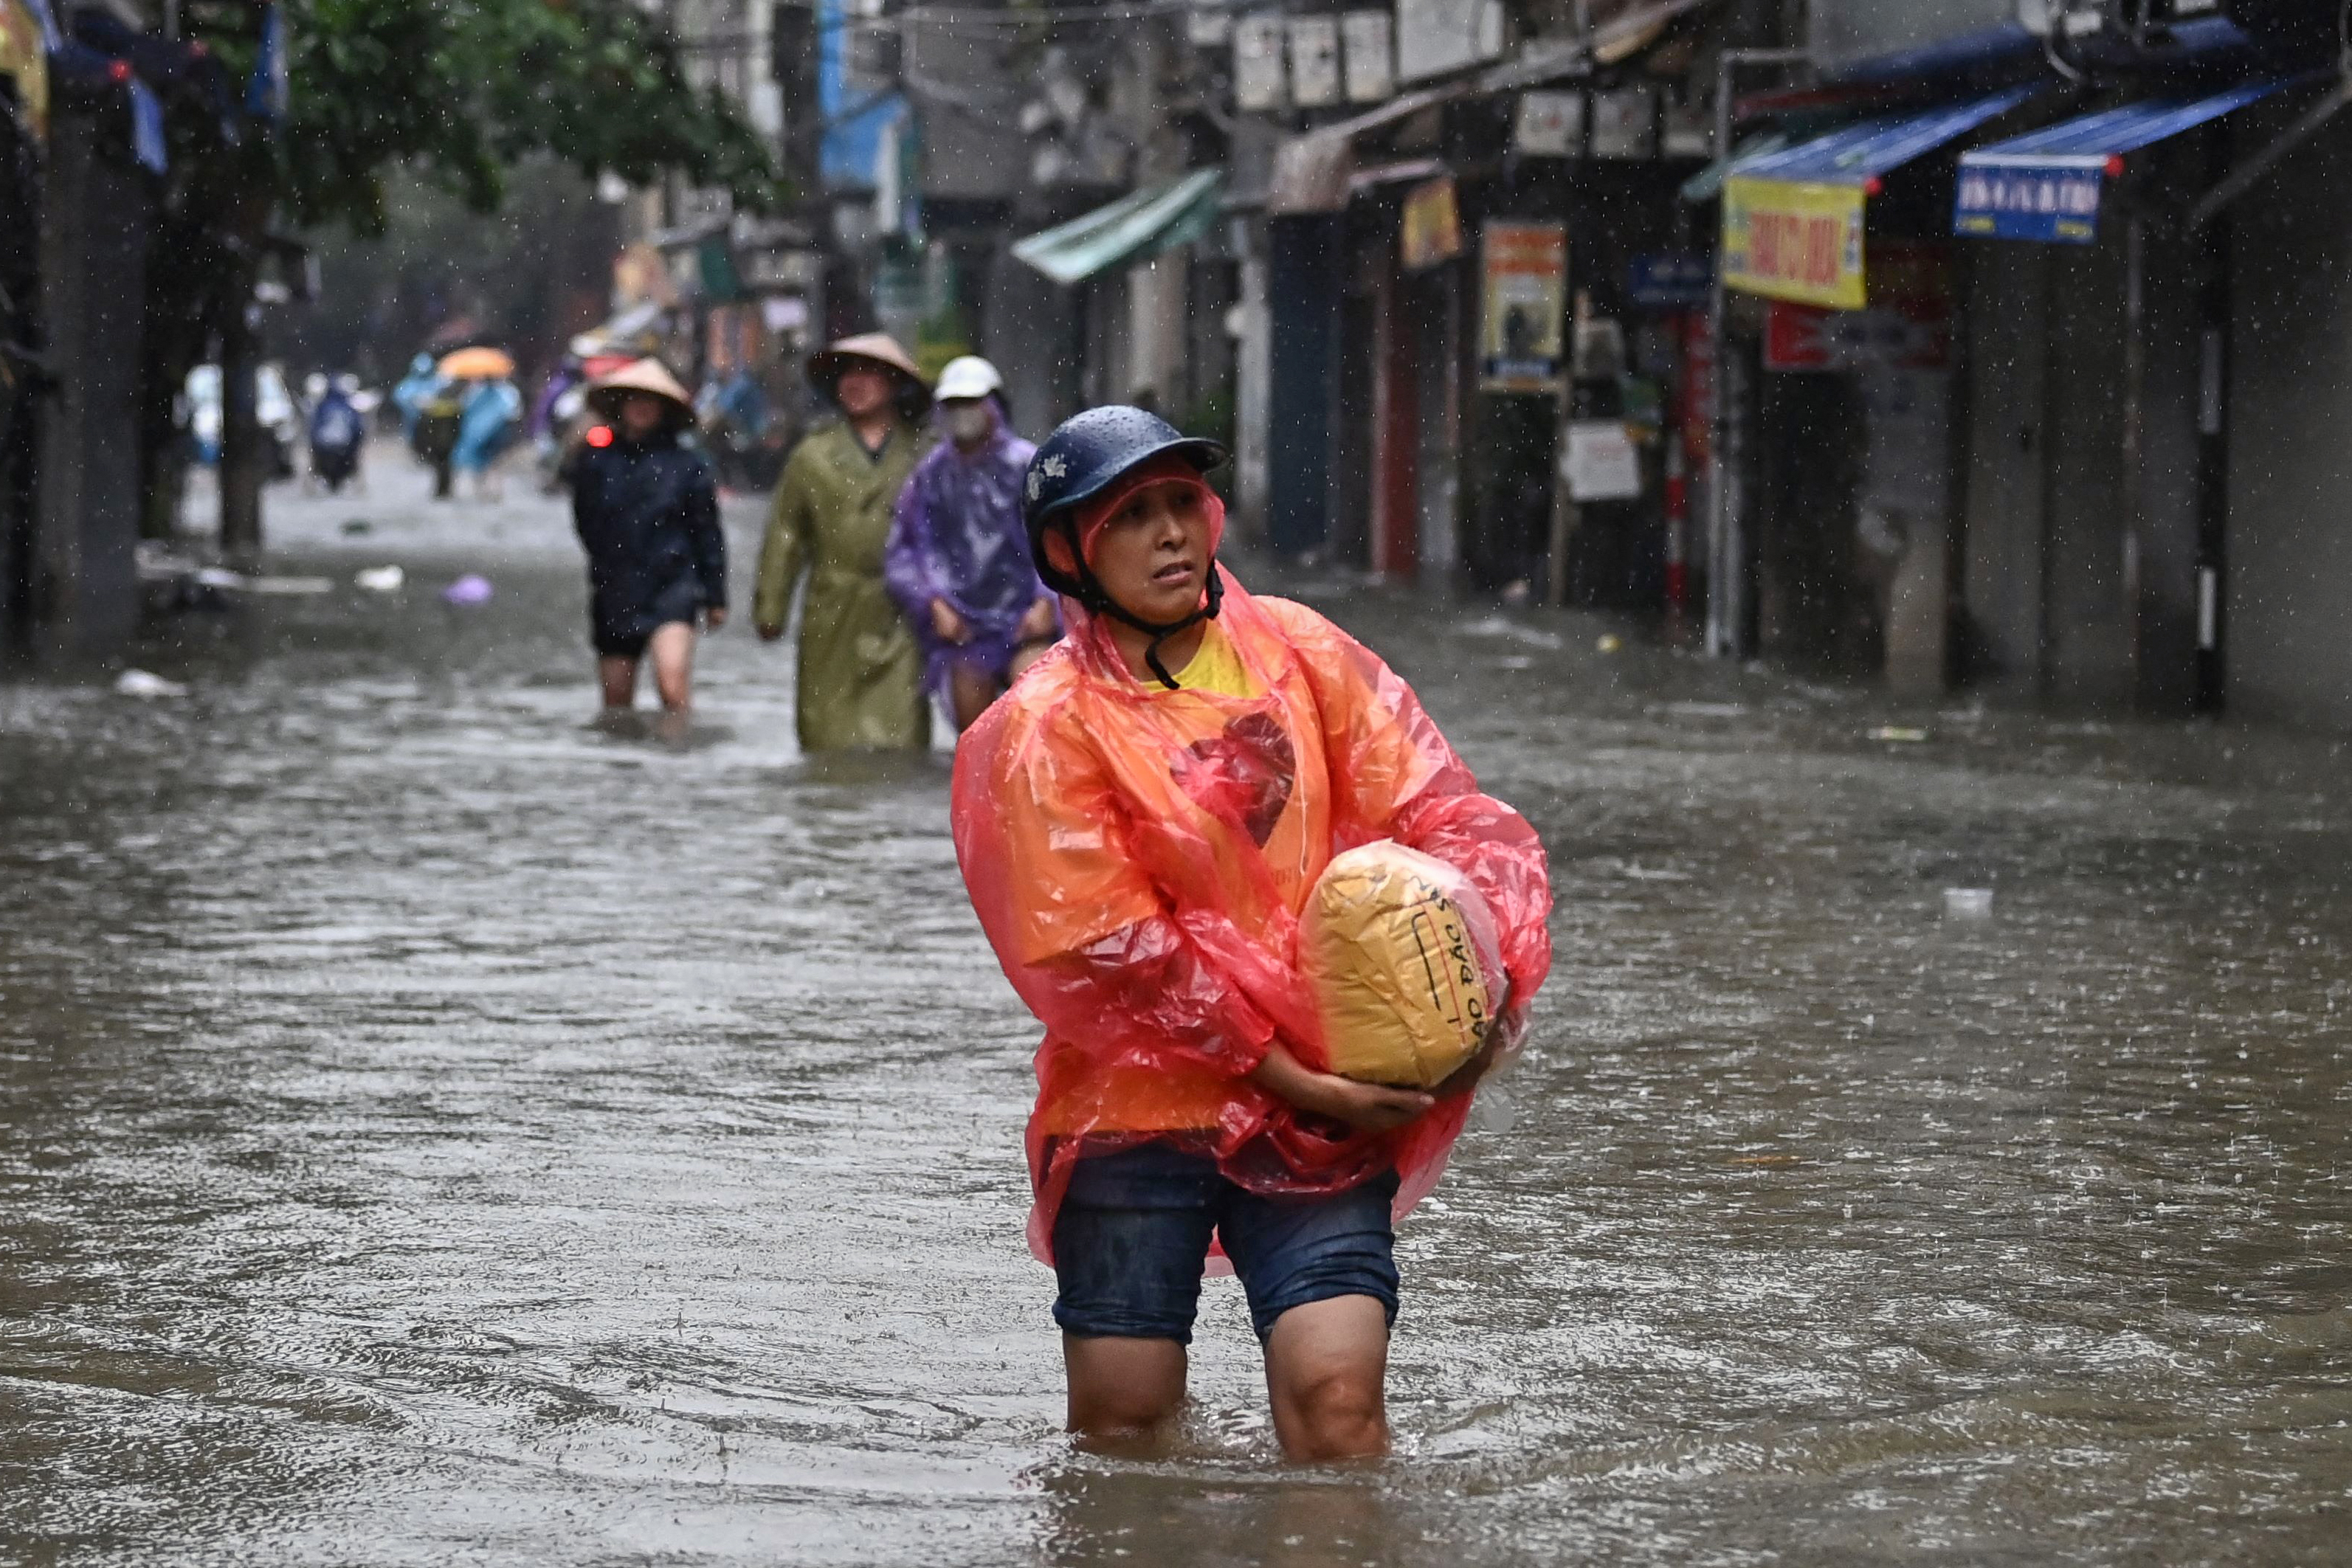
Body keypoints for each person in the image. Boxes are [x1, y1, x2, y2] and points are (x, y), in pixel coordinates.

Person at [949, 408, 1553, 1462]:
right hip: (1135, 1116)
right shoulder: (1045, 730)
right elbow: (1106, 954)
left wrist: (1487, 969)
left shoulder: (1303, 651)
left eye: (1182, 501)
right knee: (1122, 1437)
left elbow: (1442, 813)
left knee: (1338, 1410)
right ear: (1069, 552)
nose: (1171, 532)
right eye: (1132, 515)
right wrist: (1293, 1076)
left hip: (1323, 1110)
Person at [753, 333, 932, 753]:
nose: (855, 383)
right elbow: (786, 535)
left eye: (870, 374)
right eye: (847, 375)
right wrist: (771, 607)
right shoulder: (810, 457)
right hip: (831, 609)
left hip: (901, 611)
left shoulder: (924, 455)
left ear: (894, 384)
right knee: (826, 735)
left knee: (901, 738)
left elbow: (948, 535)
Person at [883, 356, 1058, 733]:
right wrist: (933, 602)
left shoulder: (1028, 465)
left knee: (1038, 711)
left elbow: (1059, 537)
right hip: (966, 628)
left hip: (1029, 622)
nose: (964, 414)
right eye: (954, 405)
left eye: (972, 402)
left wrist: (1048, 600)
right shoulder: (930, 475)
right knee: (975, 737)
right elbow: (904, 550)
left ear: (994, 404)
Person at [565, 359, 727, 721]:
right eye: (634, 398)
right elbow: (585, 520)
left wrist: (715, 595)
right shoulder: (595, 461)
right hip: (615, 588)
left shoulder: (688, 466)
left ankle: (675, 763)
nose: (641, 407)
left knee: (672, 688)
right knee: (616, 703)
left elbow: (707, 532)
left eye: (650, 400)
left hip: (673, 586)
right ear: (620, 405)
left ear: (664, 409)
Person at [452, 376, 524, 500]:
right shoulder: (507, 392)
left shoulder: (477, 391)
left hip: (481, 435)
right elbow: (514, 413)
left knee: (484, 462)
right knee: (493, 462)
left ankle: (485, 489)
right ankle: (491, 490)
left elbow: (464, 407)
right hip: (496, 434)